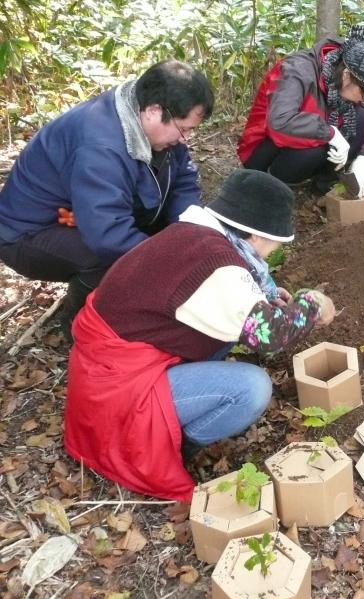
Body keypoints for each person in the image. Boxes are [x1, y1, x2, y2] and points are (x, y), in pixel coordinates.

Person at [63, 169, 336, 502]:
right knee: (252, 388)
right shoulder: (217, 267)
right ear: (255, 236)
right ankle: (175, 444)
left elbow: (236, 298)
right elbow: (271, 335)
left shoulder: (196, 235)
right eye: (278, 240)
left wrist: (270, 298)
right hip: (119, 391)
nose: (276, 248)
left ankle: (178, 416)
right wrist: (312, 302)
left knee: (231, 338)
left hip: (110, 363)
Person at [0, 59, 215, 338]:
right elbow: (108, 236)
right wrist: (172, 266)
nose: (185, 139)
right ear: (153, 110)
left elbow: (182, 178)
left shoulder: (149, 122)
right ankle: (78, 327)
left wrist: (187, 231)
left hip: (79, 215)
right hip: (27, 233)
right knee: (109, 259)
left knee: (167, 240)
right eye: (184, 129)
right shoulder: (100, 146)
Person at [238, 25, 364, 197]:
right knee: (315, 147)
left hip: (311, 139)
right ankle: (272, 185)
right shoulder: (297, 71)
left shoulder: (356, 75)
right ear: (346, 75)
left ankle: (324, 186)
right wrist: (331, 133)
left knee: (361, 118)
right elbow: (280, 121)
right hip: (264, 149)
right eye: (363, 92)